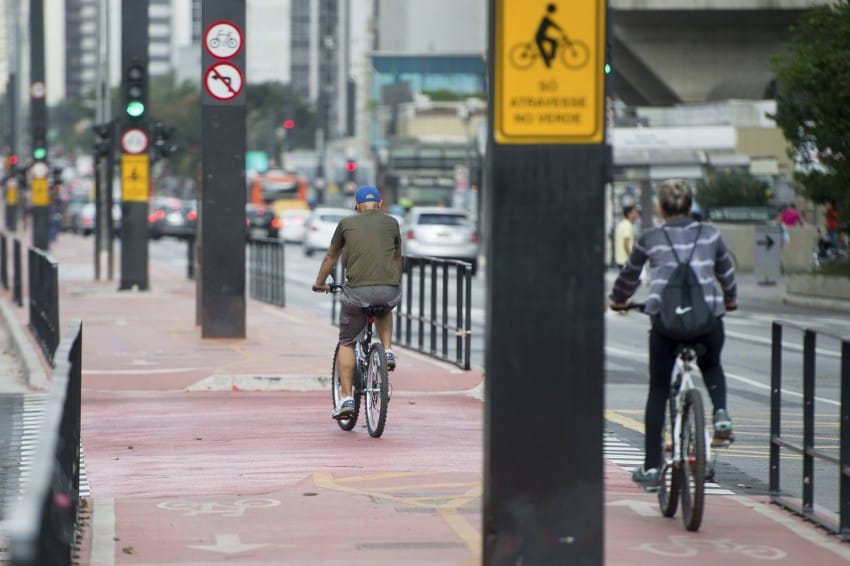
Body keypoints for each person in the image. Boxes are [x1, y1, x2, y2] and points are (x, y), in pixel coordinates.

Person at [608, 179, 738, 492]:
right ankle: (720, 414)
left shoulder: (650, 237)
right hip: (706, 321)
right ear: (691, 204)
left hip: (665, 325)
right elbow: (726, 272)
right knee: (711, 365)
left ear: (661, 208)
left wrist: (617, 298)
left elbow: (630, 275)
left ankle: (653, 467)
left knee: (658, 389)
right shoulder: (710, 234)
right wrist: (730, 299)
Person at [312, 185, 402, 419]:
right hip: (388, 289)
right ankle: (388, 350)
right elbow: (397, 257)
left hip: (358, 292)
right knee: (385, 307)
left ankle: (346, 398)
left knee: (347, 342)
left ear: (356, 206)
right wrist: (393, 282)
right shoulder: (392, 223)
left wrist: (320, 282)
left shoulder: (346, 224)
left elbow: (332, 256)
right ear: (380, 205)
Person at [535, 3, 564, 68]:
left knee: (554, 42)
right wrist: (559, 29)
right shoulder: (546, 18)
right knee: (544, 50)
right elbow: (553, 24)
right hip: (539, 37)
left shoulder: (547, 18)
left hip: (541, 36)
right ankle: (550, 59)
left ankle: (550, 57)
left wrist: (559, 29)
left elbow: (552, 24)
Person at [614, 205, 638, 270]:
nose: (636, 215)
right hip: (626, 261)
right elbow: (626, 244)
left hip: (620, 260)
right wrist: (632, 259)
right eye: (634, 213)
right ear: (629, 214)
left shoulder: (621, 224)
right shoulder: (627, 226)